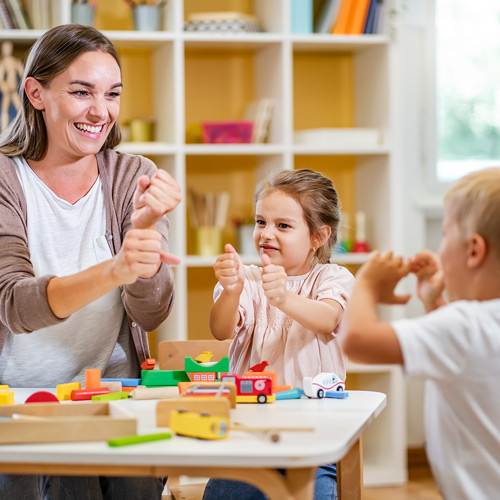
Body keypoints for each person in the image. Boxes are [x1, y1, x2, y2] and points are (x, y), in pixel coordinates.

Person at [0, 24, 181, 500]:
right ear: (35, 93)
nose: (100, 112)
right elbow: (15, 305)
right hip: (15, 403)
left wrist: (143, 233)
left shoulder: (132, 175)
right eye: (82, 92)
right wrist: (118, 268)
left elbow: (151, 312)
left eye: (112, 94)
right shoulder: (4, 178)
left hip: (110, 393)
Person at [342, 168, 500, 500]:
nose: (439, 248)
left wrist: (366, 284)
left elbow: (356, 341)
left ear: (474, 250)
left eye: (444, 234)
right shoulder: (471, 327)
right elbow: (469, 355)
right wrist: (433, 300)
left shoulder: (464, 326)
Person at [203, 168, 355, 500]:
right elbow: (220, 330)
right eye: (261, 222)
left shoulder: (333, 277)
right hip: (247, 441)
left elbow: (328, 319)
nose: (267, 233)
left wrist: (284, 297)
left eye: (283, 225)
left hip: (315, 441)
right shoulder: (248, 278)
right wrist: (230, 291)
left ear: (318, 237)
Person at [0, 41, 24, 132]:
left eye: (8, 47)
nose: (7, 50)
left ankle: (22, 129)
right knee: (4, 109)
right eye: (5, 48)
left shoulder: (16, 62)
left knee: (19, 107)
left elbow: (23, 75)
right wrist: (4, 85)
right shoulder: (2, 63)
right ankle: (3, 130)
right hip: (7, 88)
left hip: (14, 87)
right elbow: (1, 78)